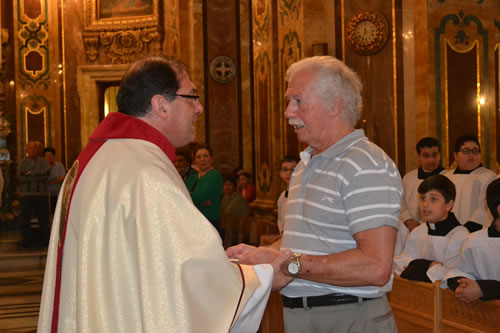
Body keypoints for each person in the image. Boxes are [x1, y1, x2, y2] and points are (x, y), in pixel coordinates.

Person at [38, 56, 293, 333]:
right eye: (192, 97)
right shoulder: (144, 170)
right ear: (161, 105)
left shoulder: (101, 158)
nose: (199, 108)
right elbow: (188, 276)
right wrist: (265, 276)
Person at [228, 56, 402, 333]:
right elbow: (308, 239)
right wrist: (269, 255)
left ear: (335, 105)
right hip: (303, 315)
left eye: (298, 101)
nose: (287, 112)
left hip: (349, 317)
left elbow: (375, 267)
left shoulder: (365, 164)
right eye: (289, 102)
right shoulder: (306, 164)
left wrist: (289, 266)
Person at [394, 175, 469, 283]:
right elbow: (401, 264)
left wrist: (416, 266)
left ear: (449, 205)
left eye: (433, 199)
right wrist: (430, 265)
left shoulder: (460, 235)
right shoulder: (418, 231)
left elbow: (450, 274)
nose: (425, 204)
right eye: (423, 198)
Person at [443, 178, 500, 302]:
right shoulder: (475, 240)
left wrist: (483, 289)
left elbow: (481, 289)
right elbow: (457, 272)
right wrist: (463, 285)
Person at [395, 137, 444, 255]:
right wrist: (409, 221)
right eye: (426, 155)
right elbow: (401, 204)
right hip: (411, 229)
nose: (431, 160)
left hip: (439, 231)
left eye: (435, 155)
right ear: (418, 156)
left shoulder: (447, 177)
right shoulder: (409, 178)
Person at [443, 134, 496, 232]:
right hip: (447, 231)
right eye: (466, 151)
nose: (471, 155)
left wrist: (464, 231)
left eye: (475, 151)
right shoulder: (446, 177)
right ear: (455, 156)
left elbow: (484, 209)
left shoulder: (488, 177)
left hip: (475, 232)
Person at [17, 140, 49, 248]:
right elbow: (21, 177)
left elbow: (45, 175)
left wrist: (30, 174)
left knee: (43, 219)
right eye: (30, 148)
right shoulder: (22, 163)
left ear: (38, 150)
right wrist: (36, 175)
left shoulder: (43, 162)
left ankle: (45, 242)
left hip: (41, 195)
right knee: (24, 219)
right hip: (26, 195)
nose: (33, 150)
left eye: (35, 148)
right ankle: (26, 242)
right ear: (26, 150)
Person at [185, 145, 223, 233]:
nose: (202, 159)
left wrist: (190, 196)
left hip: (209, 220)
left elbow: (201, 197)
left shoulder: (214, 175)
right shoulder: (192, 177)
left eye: (206, 156)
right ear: (194, 160)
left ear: (212, 159)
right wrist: (200, 201)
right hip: (193, 220)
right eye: (198, 157)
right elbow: (183, 196)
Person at [277, 155, 299, 233]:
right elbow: (280, 221)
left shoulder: (305, 194)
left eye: (293, 169)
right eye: (285, 169)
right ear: (280, 173)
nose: (289, 173)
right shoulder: (282, 197)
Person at [43, 147, 66, 214]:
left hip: (57, 194)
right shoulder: (42, 167)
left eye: (50, 155)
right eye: (46, 156)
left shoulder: (59, 165)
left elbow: (62, 178)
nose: (48, 158)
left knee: (56, 213)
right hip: (46, 195)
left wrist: (50, 182)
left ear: (54, 156)